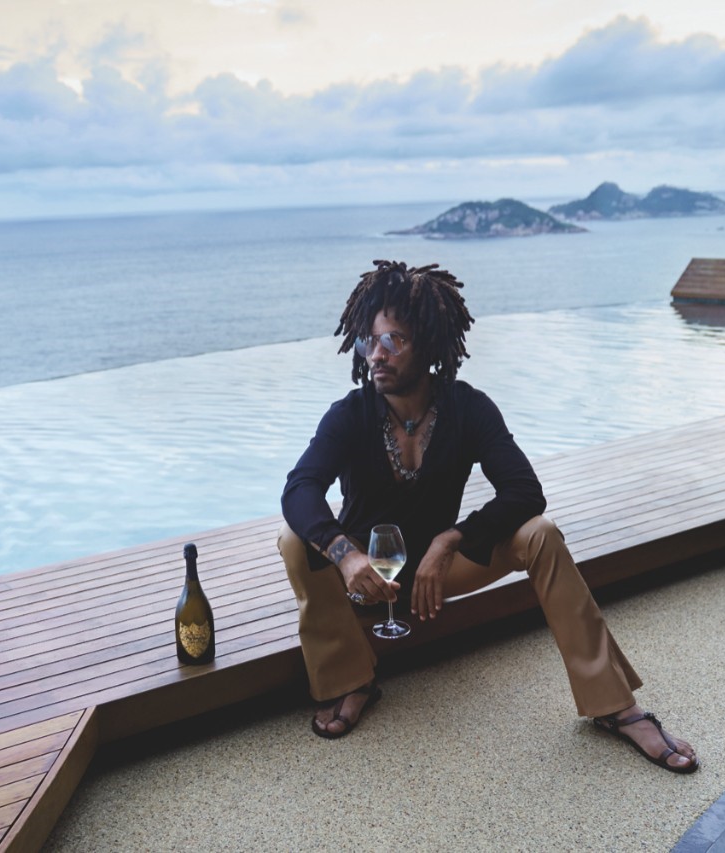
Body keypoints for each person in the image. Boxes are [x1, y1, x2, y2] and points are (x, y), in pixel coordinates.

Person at [278, 260, 698, 773]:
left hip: (441, 574)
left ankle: (616, 706)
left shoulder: (467, 408)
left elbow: (525, 491)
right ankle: (350, 680)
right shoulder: (350, 414)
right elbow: (299, 490)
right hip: (370, 580)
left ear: (429, 346)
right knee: (294, 539)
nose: (376, 355)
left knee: (539, 535)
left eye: (394, 340)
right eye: (371, 341)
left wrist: (451, 539)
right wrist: (345, 556)